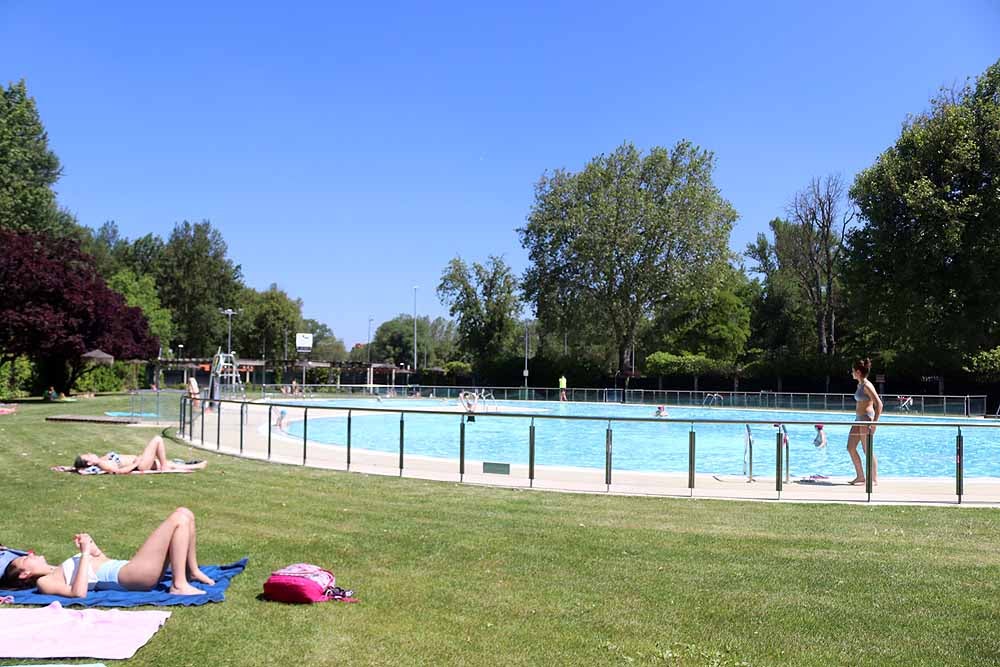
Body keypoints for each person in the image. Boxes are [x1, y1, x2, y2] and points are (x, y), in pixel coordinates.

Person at [0, 507, 213, 597]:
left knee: (185, 514)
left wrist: (93, 549)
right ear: (24, 574)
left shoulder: (57, 567)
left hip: (125, 568)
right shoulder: (44, 582)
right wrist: (84, 554)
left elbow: (103, 563)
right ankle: (178, 585)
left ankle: (191, 571)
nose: (30, 554)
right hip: (131, 576)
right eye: (24, 559)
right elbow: (79, 593)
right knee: (178, 518)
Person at [73, 435, 207, 474]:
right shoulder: (102, 464)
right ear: (90, 463)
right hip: (140, 465)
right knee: (157, 439)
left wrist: (72, 468)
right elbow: (120, 471)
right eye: (88, 456)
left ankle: (196, 466)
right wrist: (136, 463)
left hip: (140, 462)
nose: (90, 453)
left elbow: (79, 468)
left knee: (168, 462)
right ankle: (165, 467)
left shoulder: (101, 460)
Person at [847, 358, 882, 485]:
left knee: (867, 449)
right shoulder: (860, 384)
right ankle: (860, 476)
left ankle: (873, 479)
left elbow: (879, 404)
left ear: (858, 372)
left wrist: (874, 424)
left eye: (852, 371)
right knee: (850, 447)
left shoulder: (867, 385)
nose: (851, 373)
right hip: (858, 419)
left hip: (866, 419)